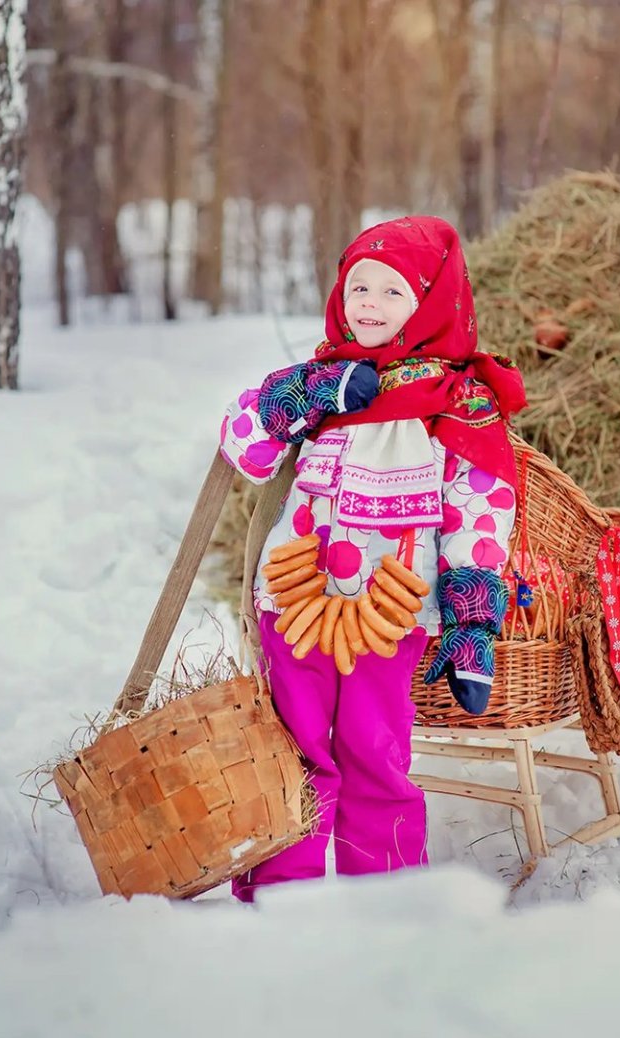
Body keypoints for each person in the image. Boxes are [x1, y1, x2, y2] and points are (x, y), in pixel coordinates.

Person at [219, 216, 527, 901]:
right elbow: (244, 449)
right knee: (295, 749)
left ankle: (382, 899)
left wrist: (470, 621)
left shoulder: (458, 402)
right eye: (358, 286)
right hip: (294, 600)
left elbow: (478, 510)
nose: (369, 304)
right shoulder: (322, 384)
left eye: (392, 293)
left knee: (373, 749)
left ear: (432, 304)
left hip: (390, 610)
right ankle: (280, 893)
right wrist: (299, 399)